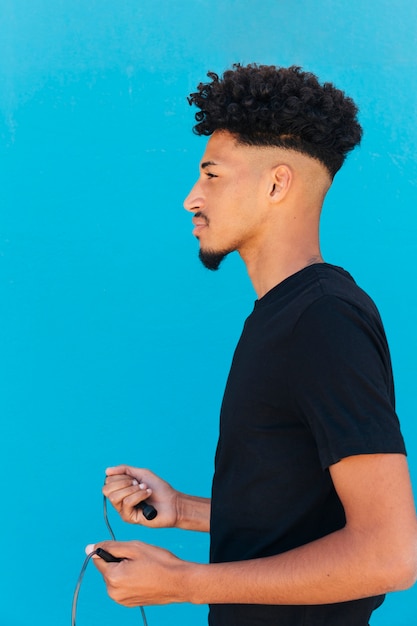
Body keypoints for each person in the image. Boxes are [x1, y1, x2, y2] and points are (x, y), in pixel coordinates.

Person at [87, 64, 417, 625]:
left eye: (211, 175)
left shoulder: (323, 320)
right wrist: (184, 511)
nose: (191, 199)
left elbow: (390, 555)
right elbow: (308, 510)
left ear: (276, 183)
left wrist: (184, 582)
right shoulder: (285, 317)